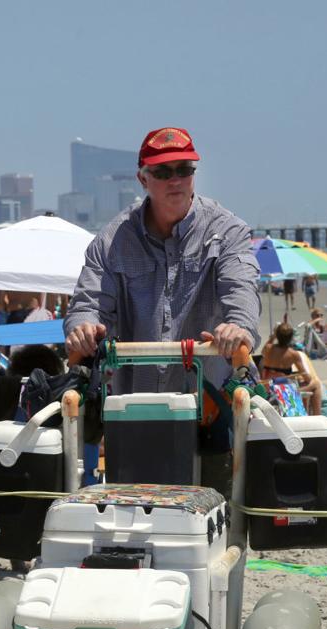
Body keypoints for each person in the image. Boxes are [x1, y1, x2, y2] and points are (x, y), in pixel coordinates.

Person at [64, 126, 260, 495]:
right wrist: (84, 327)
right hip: (134, 412)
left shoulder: (227, 231)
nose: (175, 180)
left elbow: (242, 288)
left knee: (215, 510)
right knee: (132, 511)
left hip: (210, 410)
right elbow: (88, 301)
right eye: (163, 171)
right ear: (143, 178)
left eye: (183, 169)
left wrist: (238, 326)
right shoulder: (113, 240)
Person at [260, 322, 322, 414]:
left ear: (277, 335)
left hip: (267, 386)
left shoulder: (268, 348)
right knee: (316, 384)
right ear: (291, 337)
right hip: (283, 390)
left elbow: (264, 350)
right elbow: (307, 378)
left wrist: (273, 336)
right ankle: (317, 416)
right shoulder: (293, 354)